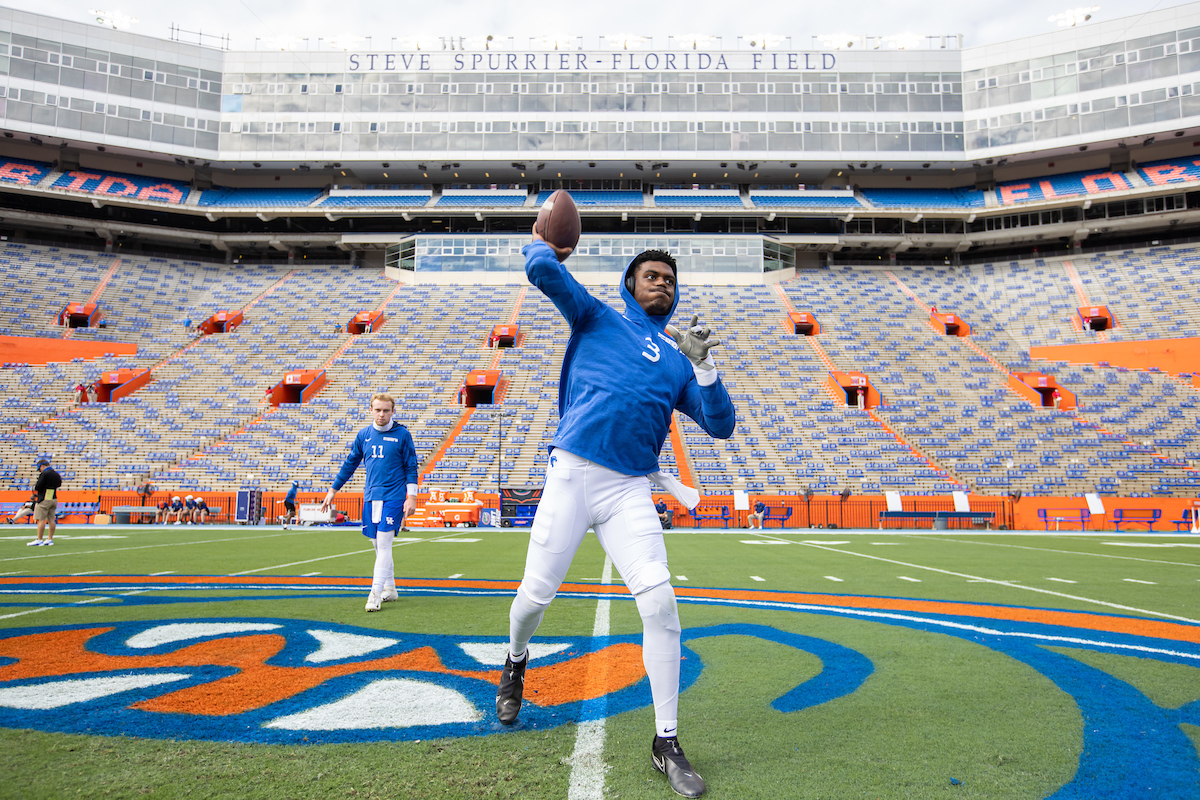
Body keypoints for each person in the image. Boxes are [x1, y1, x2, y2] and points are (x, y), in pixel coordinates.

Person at [496, 231, 735, 798]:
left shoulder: (678, 362)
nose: (662, 283)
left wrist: (704, 367)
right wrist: (546, 245)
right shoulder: (597, 316)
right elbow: (542, 274)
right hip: (573, 474)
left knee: (659, 600)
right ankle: (514, 660)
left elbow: (720, 424)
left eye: (670, 280)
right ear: (630, 283)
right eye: (652, 275)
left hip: (628, 487)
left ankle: (667, 741)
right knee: (534, 596)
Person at [321, 393, 419, 612]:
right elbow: (350, 463)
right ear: (371, 410)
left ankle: (374, 593)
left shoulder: (403, 434)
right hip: (370, 496)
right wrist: (333, 490)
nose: (381, 414)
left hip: (394, 496)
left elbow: (411, 466)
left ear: (393, 411)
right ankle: (390, 589)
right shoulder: (364, 434)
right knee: (377, 545)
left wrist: (411, 496)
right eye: (377, 410)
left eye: (386, 410)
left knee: (384, 544)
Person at [27, 459, 62, 546]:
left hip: (44, 498)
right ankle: (50, 539)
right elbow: (59, 484)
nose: (40, 470)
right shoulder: (56, 474)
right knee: (51, 519)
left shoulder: (44, 474)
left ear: (42, 466)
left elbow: (38, 486)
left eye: (40, 469)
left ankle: (39, 539)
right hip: (53, 497)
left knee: (41, 519)